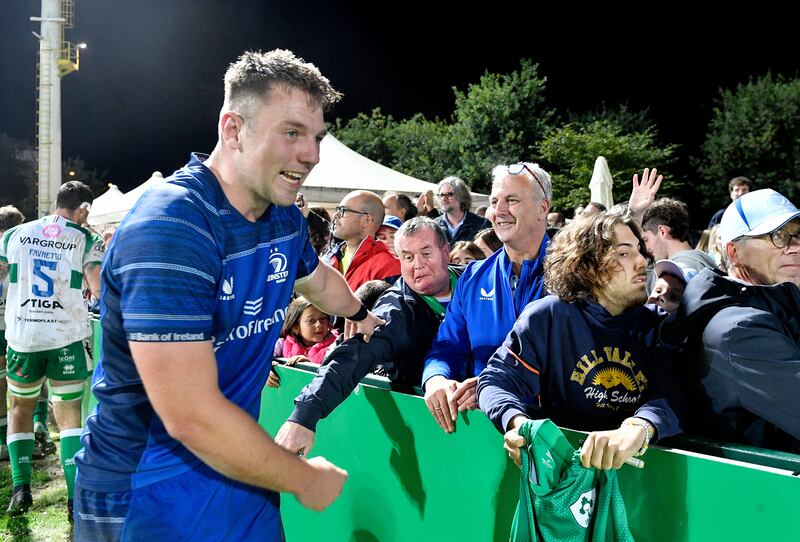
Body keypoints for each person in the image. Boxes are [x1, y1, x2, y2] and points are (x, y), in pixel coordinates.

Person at [72, 49, 385, 541]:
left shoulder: (282, 215)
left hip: (241, 469)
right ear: (233, 129)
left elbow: (317, 280)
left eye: (316, 137)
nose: (312, 154)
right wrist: (303, 479)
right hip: (147, 485)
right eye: (291, 132)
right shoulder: (173, 225)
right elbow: (191, 415)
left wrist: (361, 313)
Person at [478, 213, 683, 470]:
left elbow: (672, 395)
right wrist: (518, 425)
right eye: (623, 253)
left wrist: (640, 427)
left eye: (640, 250)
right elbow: (496, 381)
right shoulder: (548, 317)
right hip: (561, 471)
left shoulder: (660, 326)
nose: (642, 261)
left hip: (641, 475)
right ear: (587, 266)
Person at [275, 217, 463, 455]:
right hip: (430, 432)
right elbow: (353, 356)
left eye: (426, 253)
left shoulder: (477, 283)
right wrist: (303, 416)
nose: (418, 265)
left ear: (446, 251)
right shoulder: (396, 311)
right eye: (407, 257)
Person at [664, 188, 800, 452]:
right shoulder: (738, 329)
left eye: (798, 235)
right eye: (778, 236)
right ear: (734, 252)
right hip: (762, 487)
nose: (795, 246)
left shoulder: (777, 303)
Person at [422, 162, 552, 433]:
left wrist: (489, 389)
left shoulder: (576, 276)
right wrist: (436, 380)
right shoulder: (474, 276)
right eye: (494, 201)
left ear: (543, 208)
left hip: (554, 435)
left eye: (512, 200)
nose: (499, 211)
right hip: (484, 433)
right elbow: (447, 347)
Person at [0, 182, 103, 516]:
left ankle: (20, 489)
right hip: (66, 337)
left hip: (24, 336)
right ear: (84, 209)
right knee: (69, 415)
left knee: (20, 408)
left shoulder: (14, 234)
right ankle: (74, 500)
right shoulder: (86, 238)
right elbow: (98, 288)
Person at [325, 190, 401, 291]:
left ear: (366, 220)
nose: (335, 215)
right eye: (337, 209)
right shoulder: (331, 256)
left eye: (343, 210)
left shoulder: (388, 266)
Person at [0, 205, 26, 462]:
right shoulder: (23, 247)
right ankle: (37, 426)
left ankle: (3, 440)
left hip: (4, 326)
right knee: (30, 382)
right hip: (22, 325)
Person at [641, 197, 717, 282]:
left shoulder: (672, 273)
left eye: (646, 240)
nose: (646, 247)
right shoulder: (706, 261)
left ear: (663, 231)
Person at [273, 296, 338, 365]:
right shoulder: (281, 344)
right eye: (311, 321)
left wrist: (308, 365)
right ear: (295, 327)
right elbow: (262, 360)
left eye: (323, 318)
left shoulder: (336, 346)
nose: (319, 324)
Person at [433, 176, 490, 243]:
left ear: (461, 196)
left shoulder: (481, 225)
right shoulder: (434, 226)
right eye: (441, 195)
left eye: (449, 195)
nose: (443, 199)